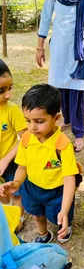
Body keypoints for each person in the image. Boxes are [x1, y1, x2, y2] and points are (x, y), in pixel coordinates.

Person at [0, 84, 79, 243]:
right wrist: (17, 182)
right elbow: (22, 167)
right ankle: (44, 235)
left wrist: (64, 209)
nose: (32, 127)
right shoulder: (27, 139)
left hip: (57, 192)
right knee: (37, 215)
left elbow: (70, 178)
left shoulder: (63, 145)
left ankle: (65, 227)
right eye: (28, 121)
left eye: (39, 121)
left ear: (56, 118)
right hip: (32, 188)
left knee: (60, 216)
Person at [36, 0, 84, 152]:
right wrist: (40, 47)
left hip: (81, 50)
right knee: (58, 89)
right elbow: (46, 17)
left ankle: (79, 132)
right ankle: (66, 120)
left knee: (77, 91)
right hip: (59, 48)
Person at [0, 59, 27, 231]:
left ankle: (19, 218)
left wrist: (6, 159)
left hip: (11, 163)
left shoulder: (12, 110)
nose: (8, 95)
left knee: (16, 192)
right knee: (2, 194)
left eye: (10, 88)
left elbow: (26, 137)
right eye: (1, 91)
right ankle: (6, 214)